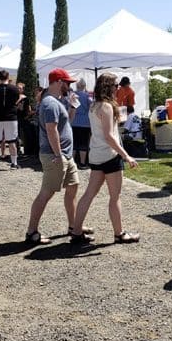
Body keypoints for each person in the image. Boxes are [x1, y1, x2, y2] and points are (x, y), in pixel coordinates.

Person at [71, 73, 140, 244]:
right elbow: (109, 136)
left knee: (88, 194)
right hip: (109, 155)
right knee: (114, 196)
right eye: (116, 85)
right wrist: (126, 155)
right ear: (109, 87)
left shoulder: (94, 105)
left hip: (96, 154)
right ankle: (119, 233)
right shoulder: (107, 107)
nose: (118, 88)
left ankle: (76, 230)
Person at [24, 68, 84, 245]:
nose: (69, 86)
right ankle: (31, 232)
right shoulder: (50, 103)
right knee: (46, 193)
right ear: (58, 82)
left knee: (73, 187)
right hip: (55, 155)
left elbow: (67, 125)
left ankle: (74, 227)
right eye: (67, 83)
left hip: (64, 154)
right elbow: (52, 130)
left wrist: (73, 106)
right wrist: (58, 154)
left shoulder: (58, 101)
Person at [71, 78, 92, 168]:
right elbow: (91, 107)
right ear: (84, 86)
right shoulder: (87, 96)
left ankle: (72, 162)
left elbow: (71, 108)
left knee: (74, 143)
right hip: (85, 123)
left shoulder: (73, 96)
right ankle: (82, 163)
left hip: (74, 121)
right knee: (83, 143)